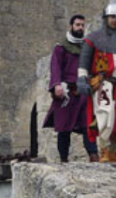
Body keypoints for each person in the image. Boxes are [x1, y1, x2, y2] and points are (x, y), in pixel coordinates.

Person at [77, 2, 116, 163]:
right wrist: (82, 79)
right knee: (105, 117)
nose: (115, 20)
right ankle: (104, 150)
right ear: (105, 18)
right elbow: (84, 62)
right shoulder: (92, 39)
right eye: (112, 17)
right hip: (102, 84)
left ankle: (113, 151)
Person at [42, 15, 99, 163]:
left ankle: (94, 156)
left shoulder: (87, 47)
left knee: (88, 125)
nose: (80, 28)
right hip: (67, 94)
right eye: (77, 25)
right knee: (64, 128)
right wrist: (57, 85)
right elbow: (55, 67)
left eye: (82, 25)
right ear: (71, 27)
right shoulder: (60, 47)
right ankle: (63, 159)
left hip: (83, 93)